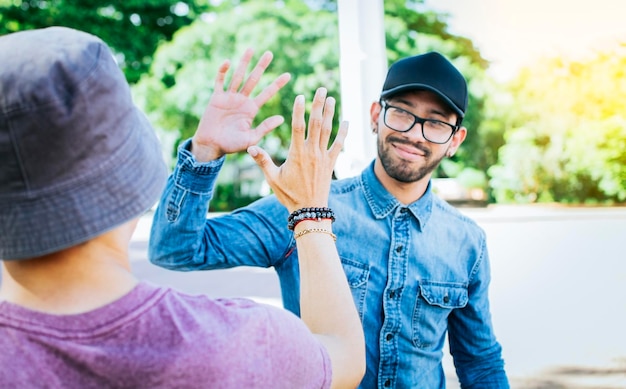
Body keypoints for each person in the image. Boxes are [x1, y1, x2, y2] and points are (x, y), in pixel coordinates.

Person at [0, 26, 366, 388]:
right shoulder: (236, 343)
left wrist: (204, 154)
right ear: (130, 176)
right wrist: (310, 210)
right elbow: (345, 357)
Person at [150, 50, 510, 388]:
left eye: (435, 123)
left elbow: (479, 361)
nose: (414, 133)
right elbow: (176, 248)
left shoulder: (467, 242)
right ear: (375, 115)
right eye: (402, 112)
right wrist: (205, 151)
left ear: (455, 139)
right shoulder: (304, 204)